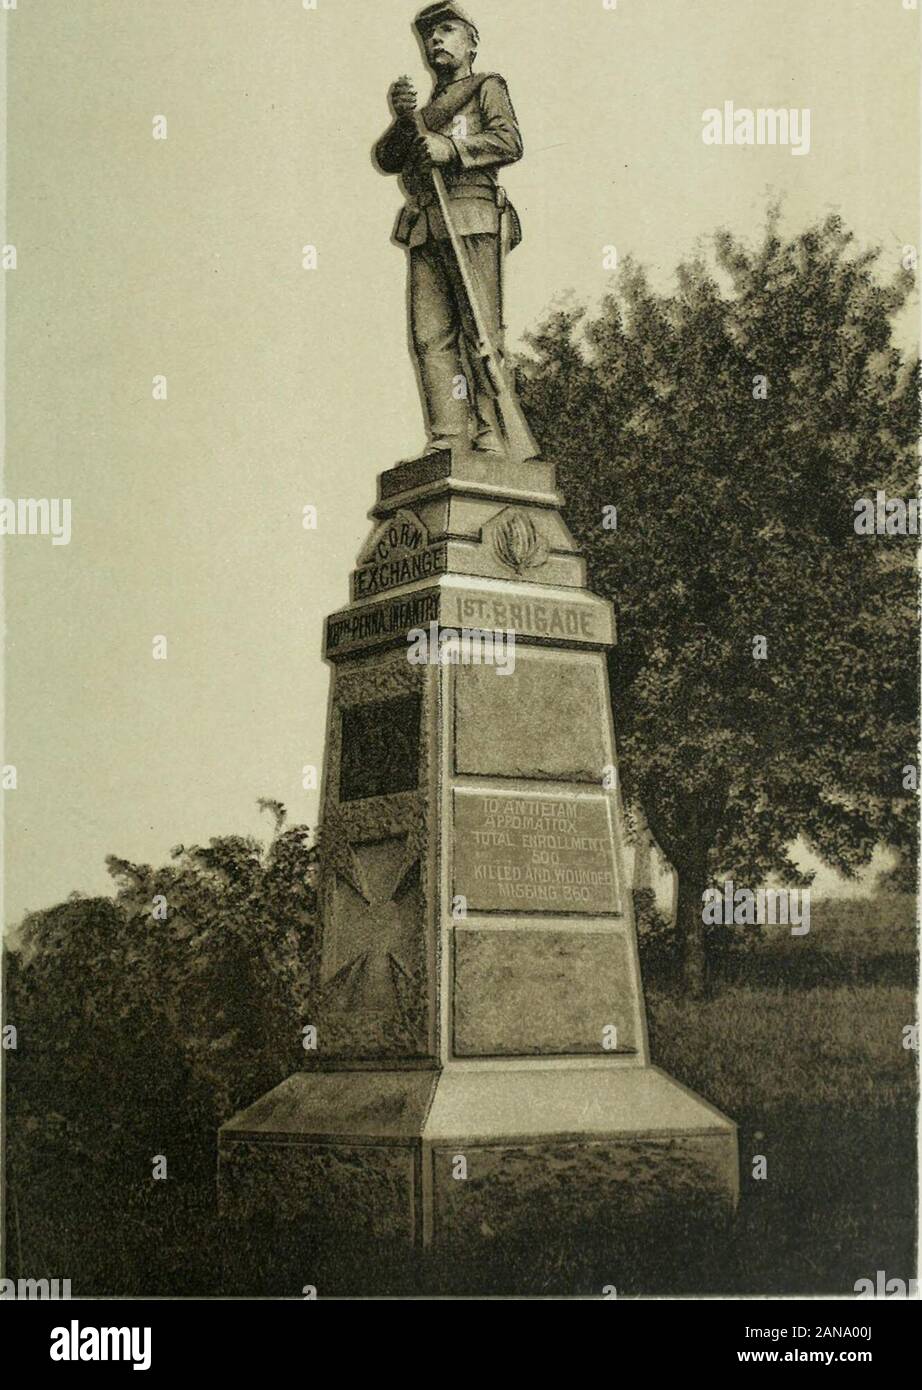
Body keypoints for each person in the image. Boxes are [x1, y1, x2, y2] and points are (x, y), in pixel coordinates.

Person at [374, 3, 523, 456]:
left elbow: (509, 141)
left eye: (447, 29)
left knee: (480, 328)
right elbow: (387, 158)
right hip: (426, 224)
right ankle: (448, 435)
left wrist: (452, 149)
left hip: (472, 215)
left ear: (471, 41)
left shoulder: (487, 87)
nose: (435, 39)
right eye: (429, 34)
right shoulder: (422, 112)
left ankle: (492, 431)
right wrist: (404, 120)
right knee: (430, 337)